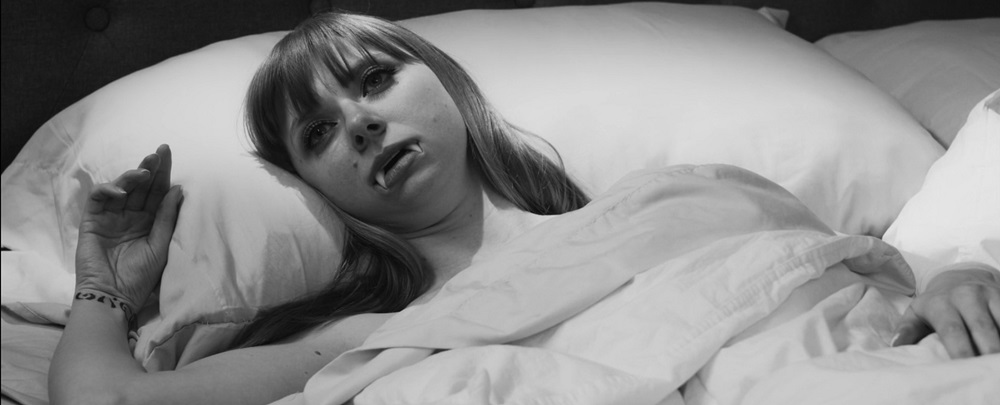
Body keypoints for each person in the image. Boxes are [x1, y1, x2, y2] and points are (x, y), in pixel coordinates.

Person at [49, 11, 1000, 405]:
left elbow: (850, 280)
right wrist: (105, 283)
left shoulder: (693, 195)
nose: (363, 125)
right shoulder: (375, 338)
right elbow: (109, 401)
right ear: (312, 183)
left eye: (374, 82)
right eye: (320, 132)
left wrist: (953, 274)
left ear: (447, 86)